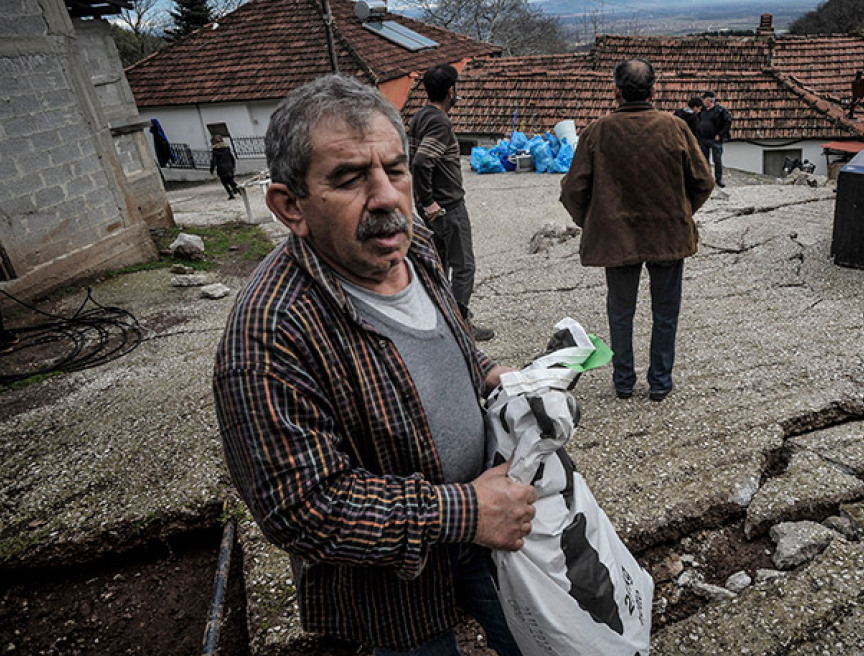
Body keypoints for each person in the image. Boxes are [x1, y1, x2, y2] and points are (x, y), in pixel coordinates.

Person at [213, 74, 535, 656]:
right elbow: (302, 509)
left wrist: (498, 377)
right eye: (349, 177)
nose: (386, 196)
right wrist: (465, 512)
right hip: (393, 591)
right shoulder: (267, 337)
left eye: (395, 169)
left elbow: (449, 338)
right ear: (291, 207)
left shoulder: (412, 243)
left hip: (487, 529)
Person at [560, 59, 715, 402]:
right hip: (668, 236)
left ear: (615, 91)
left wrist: (595, 221)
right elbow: (704, 181)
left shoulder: (597, 131)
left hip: (617, 237)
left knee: (620, 311)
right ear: (655, 90)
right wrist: (682, 213)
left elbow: (572, 190)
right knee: (666, 311)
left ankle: (624, 382)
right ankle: (660, 382)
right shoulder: (674, 128)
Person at [409, 64, 494, 341]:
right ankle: (460, 324)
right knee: (464, 266)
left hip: (431, 209)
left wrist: (422, 202)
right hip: (448, 207)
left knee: (439, 266)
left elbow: (414, 160)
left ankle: (442, 322)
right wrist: (430, 200)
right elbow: (422, 161)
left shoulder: (418, 116)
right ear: (450, 91)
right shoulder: (439, 122)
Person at [695, 89, 732, 188]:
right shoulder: (702, 110)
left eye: (705, 99)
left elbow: (728, 122)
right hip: (703, 139)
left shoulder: (720, 111)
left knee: (717, 160)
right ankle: (707, 178)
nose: (703, 101)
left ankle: (718, 179)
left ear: (710, 100)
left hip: (715, 139)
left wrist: (720, 134)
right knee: (704, 160)